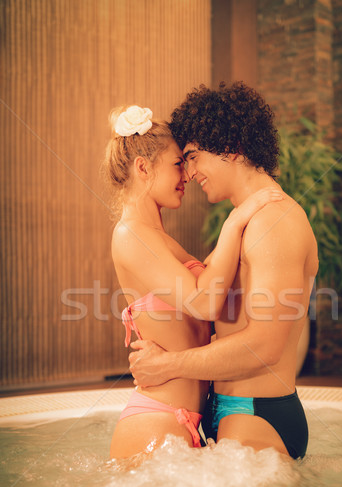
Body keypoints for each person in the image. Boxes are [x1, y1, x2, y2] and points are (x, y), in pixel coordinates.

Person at [128, 82, 319, 460]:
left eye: (194, 156)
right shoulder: (244, 222)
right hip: (230, 412)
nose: (190, 171)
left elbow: (264, 346)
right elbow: (205, 302)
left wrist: (167, 365)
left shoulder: (273, 222)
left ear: (231, 147)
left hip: (257, 413)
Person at [103, 104, 281, 460]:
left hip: (183, 422)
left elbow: (201, 318)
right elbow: (204, 303)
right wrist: (234, 222)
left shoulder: (158, 238)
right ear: (143, 168)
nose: (186, 175)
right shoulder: (129, 234)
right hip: (154, 423)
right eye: (177, 164)